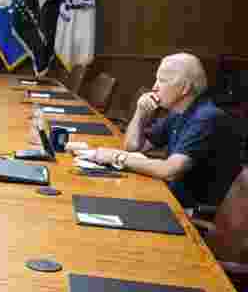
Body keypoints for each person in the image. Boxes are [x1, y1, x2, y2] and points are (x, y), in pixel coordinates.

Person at [82, 53, 245, 211]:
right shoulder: (178, 112)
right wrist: (140, 112)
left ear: (185, 88)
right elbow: (133, 147)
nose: (154, 87)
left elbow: (169, 171)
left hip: (189, 210)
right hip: (170, 196)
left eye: (162, 80)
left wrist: (116, 157)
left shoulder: (206, 117)